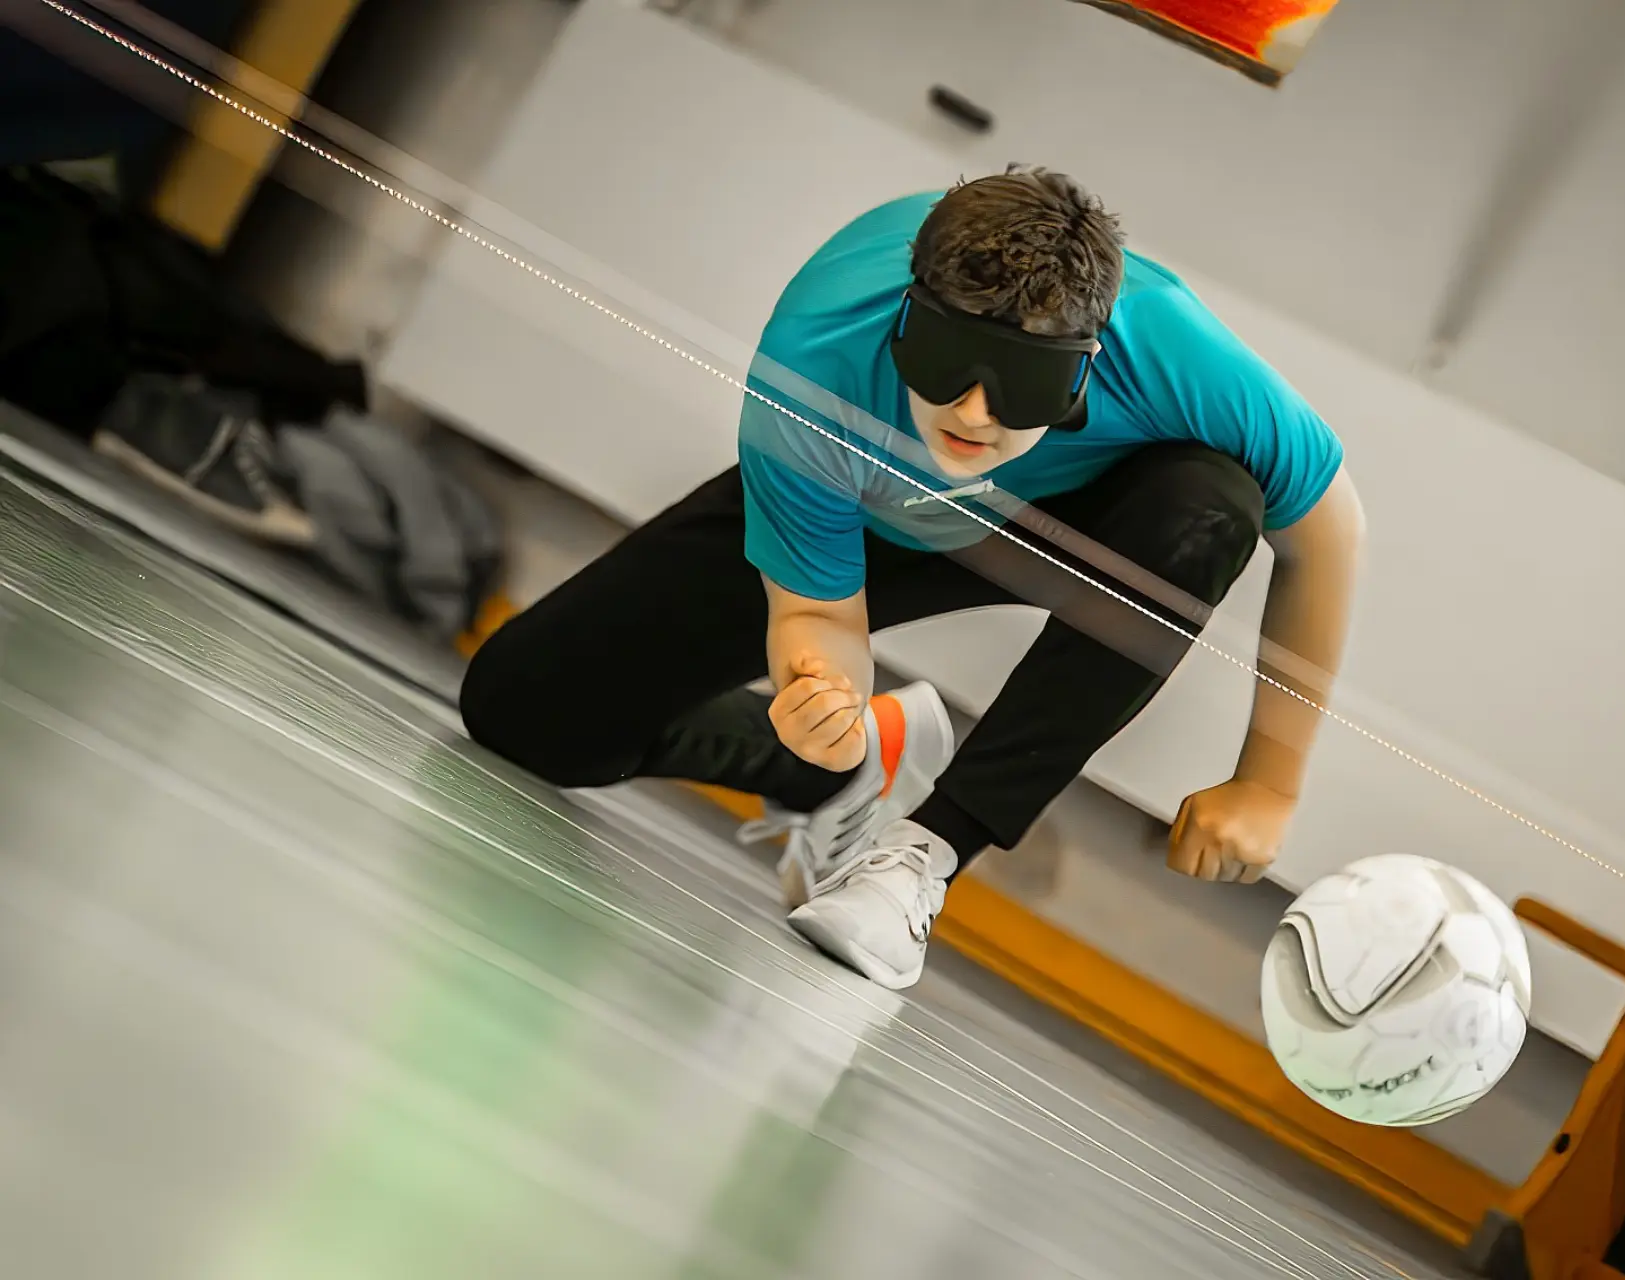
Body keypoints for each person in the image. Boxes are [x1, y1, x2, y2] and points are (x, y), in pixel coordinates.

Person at [460, 166, 1366, 990]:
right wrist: (821, 695)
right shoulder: (818, 350)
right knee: (525, 708)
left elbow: (1328, 536)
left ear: (1086, 362)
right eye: (944, 362)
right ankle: (851, 767)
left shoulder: (1174, 350)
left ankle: (923, 857)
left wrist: (1269, 784)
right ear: (906, 315)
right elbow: (819, 614)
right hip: (871, 503)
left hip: (1067, 523)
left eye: (1021, 383)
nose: (972, 412)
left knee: (1212, 506)